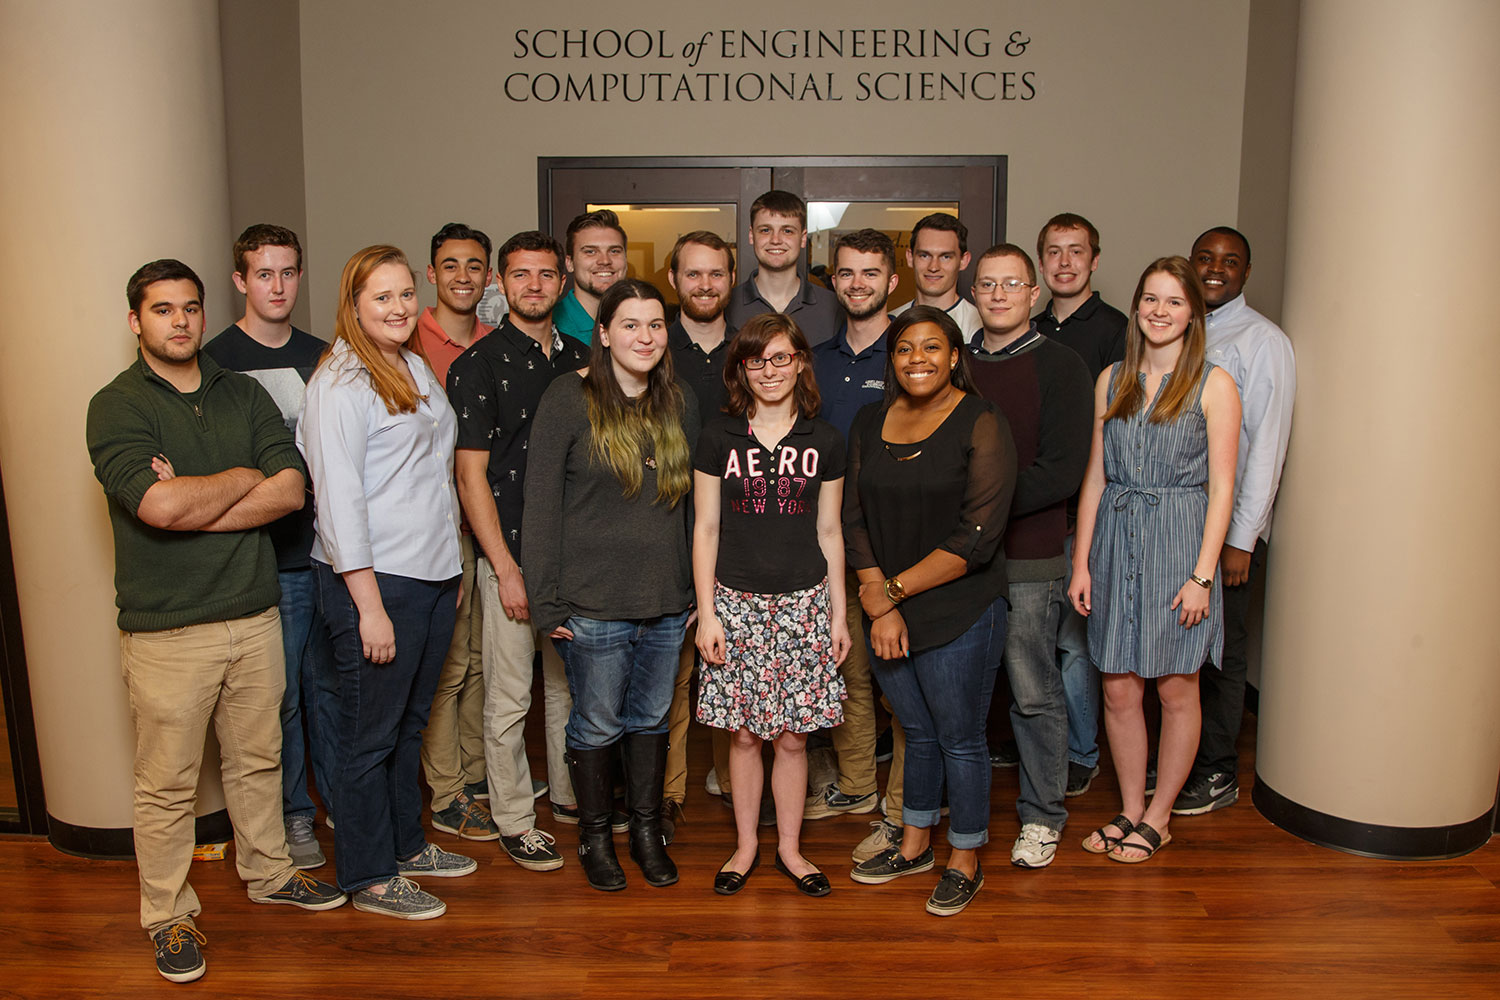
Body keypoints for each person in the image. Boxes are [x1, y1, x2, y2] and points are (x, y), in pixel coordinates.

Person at [87, 259, 345, 984]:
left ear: (204, 314)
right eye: (162, 310)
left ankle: (269, 873)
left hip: (255, 612)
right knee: (166, 785)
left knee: (258, 761)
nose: (180, 322)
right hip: (168, 629)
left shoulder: (242, 393)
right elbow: (156, 509)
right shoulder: (117, 406)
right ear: (136, 321)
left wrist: (204, 493)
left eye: (190, 308)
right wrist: (242, 480)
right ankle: (167, 916)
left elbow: (291, 490)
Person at [298, 245, 476, 920]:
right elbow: (338, 503)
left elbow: (431, 479)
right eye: (382, 297)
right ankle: (368, 875)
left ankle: (405, 845)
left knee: (406, 727)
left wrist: (450, 569)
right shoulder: (339, 383)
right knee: (366, 735)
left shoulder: (411, 366)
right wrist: (369, 607)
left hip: (429, 576)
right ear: (353, 306)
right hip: (374, 583)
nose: (399, 308)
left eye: (406, 295)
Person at [522, 279, 700, 892]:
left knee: (652, 719)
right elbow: (540, 505)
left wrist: (697, 590)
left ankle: (646, 831)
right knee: (597, 724)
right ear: (603, 333)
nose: (645, 336)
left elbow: (697, 511)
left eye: (655, 325)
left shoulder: (679, 401)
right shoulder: (566, 399)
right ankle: (595, 839)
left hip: (666, 600)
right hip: (591, 603)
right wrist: (545, 601)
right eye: (630, 324)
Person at [846, 306, 1017, 917]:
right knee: (916, 733)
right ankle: (915, 841)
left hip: (961, 610)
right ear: (890, 360)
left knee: (960, 739)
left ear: (953, 356)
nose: (917, 359)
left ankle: (964, 856)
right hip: (887, 608)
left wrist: (886, 595)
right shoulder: (870, 420)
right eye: (904, 349)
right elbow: (854, 518)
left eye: (931, 347)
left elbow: (977, 537)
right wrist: (878, 600)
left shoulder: (981, 421)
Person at [1069, 256, 1240, 864]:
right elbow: (1095, 476)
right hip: (1116, 540)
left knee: (1175, 688)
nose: (1158, 311)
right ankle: (1131, 808)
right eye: (1149, 299)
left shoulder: (1214, 384)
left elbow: (1222, 490)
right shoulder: (1112, 378)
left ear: (1192, 312)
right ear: (1137, 306)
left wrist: (1201, 576)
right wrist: (1082, 562)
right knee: (1118, 687)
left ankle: (1160, 816)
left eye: (1172, 301)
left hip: (1179, 543)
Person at [693, 313, 851, 897]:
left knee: (792, 738)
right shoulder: (718, 435)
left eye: (781, 358)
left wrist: (837, 614)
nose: (769, 371)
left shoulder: (826, 440)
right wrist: (707, 613)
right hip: (734, 603)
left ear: (801, 362)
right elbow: (705, 528)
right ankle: (746, 845)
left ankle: (789, 847)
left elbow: (830, 531)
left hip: (806, 602)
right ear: (742, 369)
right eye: (757, 360)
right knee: (742, 736)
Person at [448, 230, 589, 871]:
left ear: (562, 284)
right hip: (508, 555)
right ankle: (513, 819)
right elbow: (470, 476)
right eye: (520, 275)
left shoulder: (584, 360)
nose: (534, 286)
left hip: (573, 557)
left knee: (566, 691)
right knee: (510, 698)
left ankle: (567, 799)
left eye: (545, 275)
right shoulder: (475, 366)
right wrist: (502, 568)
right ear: (500, 285)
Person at [203, 224, 338, 868]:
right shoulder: (216, 362)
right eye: (264, 274)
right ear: (241, 281)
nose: (277, 286)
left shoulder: (326, 355)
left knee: (333, 687)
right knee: (279, 698)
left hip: (330, 552)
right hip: (268, 557)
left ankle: (340, 797)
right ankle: (293, 814)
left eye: (287, 273)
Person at [965, 244, 1093, 868]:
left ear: (1033, 293)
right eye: (986, 284)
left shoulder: (1062, 366)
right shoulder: (957, 364)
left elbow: (1063, 472)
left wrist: (977, 511)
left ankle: (1043, 815)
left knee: (1034, 690)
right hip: (961, 561)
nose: (997, 294)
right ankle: (961, 812)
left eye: (1011, 284)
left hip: (1029, 556)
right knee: (966, 689)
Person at [1175, 226, 1295, 816]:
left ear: (1247, 272)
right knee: (1181, 646)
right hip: (1180, 524)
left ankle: (1218, 771)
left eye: (1230, 261)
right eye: (1205, 258)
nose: (1215, 269)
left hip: (1228, 533)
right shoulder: (1182, 330)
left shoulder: (1261, 340)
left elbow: (1267, 445)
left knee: (1222, 652)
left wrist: (1242, 539)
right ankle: (1183, 757)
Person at [1018, 212, 1130, 797]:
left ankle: (1081, 753)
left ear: (1094, 260)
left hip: (1085, 513)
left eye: (1076, 251)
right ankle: (1044, 748)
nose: (1065, 262)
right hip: (1032, 511)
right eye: (1054, 252)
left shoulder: (1115, 329)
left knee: (1073, 643)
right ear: (1041, 265)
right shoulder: (1028, 329)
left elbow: (1119, 427)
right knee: (1033, 642)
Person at [802, 228, 898, 827]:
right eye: (847, 273)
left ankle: (914, 797)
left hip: (897, 548)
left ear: (892, 281)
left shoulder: (913, 352)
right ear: (833, 282)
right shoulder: (815, 360)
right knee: (847, 670)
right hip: (825, 542)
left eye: (870, 273)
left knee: (907, 683)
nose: (858, 283)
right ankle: (859, 782)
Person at [412, 222, 499, 843]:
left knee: (478, 664)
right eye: (450, 265)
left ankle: (473, 779)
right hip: (432, 532)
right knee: (448, 666)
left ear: (489, 276)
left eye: (474, 266)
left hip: (486, 526)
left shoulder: (497, 344)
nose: (462, 276)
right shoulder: (404, 338)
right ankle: (446, 792)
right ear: (430, 274)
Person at [664, 230, 737, 830]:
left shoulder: (750, 350)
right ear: (674, 280)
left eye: (716, 273)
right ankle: (668, 794)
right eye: (694, 274)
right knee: (673, 674)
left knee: (729, 667)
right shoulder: (653, 345)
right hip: (665, 530)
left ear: (730, 281)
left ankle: (735, 785)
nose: (705, 284)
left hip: (738, 533)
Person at [726, 190, 840, 346]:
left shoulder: (833, 306)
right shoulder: (727, 304)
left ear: (803, 238)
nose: (775, 240)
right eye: (765, 230)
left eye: (787, 231)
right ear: (752, 236)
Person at [891, 212, 981, 337]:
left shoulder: (979, 327)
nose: (933, 267)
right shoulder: (891, 324)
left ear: (963, 261)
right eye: (924, 256)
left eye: (945, 257)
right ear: (910, 258)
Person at [554, 209, 627, 344]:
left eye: (614, 251)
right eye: (591, 252)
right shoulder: (550, 326)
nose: (604, 260)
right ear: (569, 263)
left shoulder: (639, 322)